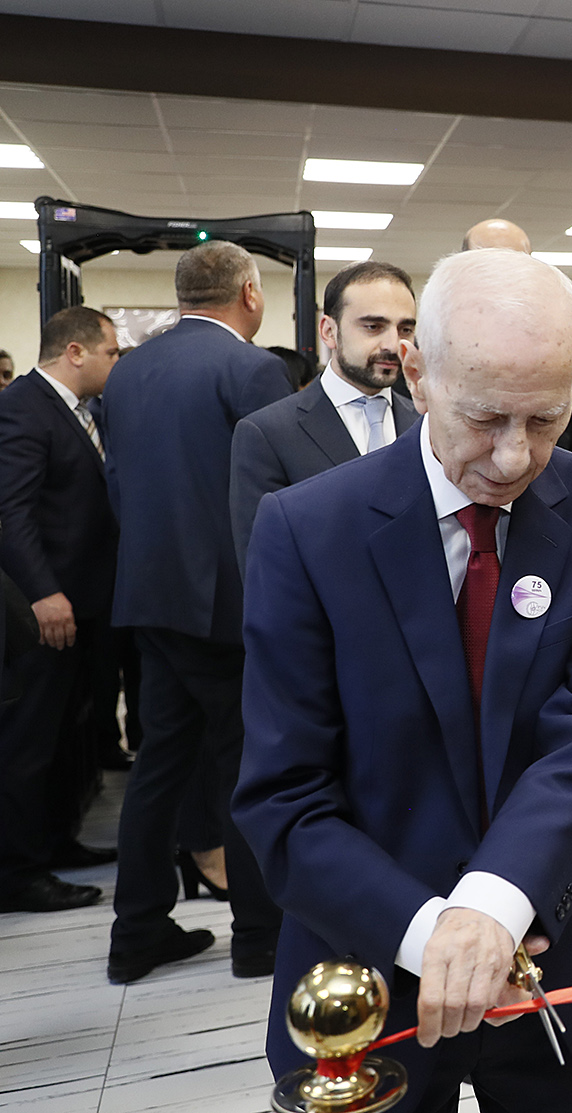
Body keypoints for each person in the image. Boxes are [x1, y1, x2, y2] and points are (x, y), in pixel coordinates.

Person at [234, 247, 572, 1111]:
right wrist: (440, 935)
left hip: (560, 942)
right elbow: (285, 794)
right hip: (370, 960)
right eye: (486, 418)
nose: (514, 456)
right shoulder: (309, 529)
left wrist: (497, 903)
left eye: (546, 419)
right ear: (417, 375)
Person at [102, 240, 290, 983]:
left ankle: (136, 931)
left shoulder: (129, 369)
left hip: (149, 596)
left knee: (161, 763)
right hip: (228, 603)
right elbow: (272, 496)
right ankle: (260, 935)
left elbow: (118, 482)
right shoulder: (252, 368)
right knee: (249, 763)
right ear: (249, 293)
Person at [0, 307, 121, 912]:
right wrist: (44, 592)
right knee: (29, 743)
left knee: (63, 737)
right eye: (111, 353)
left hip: (79, 607)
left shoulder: (74, 410)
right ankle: (17, 874)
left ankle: (53, 843)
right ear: (75, 352)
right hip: (42, 613)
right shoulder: (24, 408)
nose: (116, 363)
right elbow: (11, 511)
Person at [230, 261, 419, 572]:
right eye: (373, 327)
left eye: (405, 329)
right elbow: (263, 564)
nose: (392, 344)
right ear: (329, 331)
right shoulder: (269, 433)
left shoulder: (425, 424)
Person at [461, 217, 572, 459]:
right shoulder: (433, 348)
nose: (505, 275)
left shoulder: (565, 351)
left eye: (518, 264)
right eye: (490, 264)